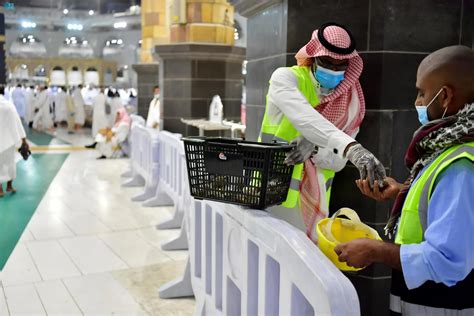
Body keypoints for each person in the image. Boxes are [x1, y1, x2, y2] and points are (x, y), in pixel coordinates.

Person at [335, 46, 474, 315]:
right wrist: (402, 192)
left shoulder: (461, 166)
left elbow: (447, 261)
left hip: (441, 305)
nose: (417, 101)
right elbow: (441, 207)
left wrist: (375, 250)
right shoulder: (449, 146)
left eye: (422, 92)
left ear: (444, 96)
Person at [259, 22, 386, 240]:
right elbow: (305, 118)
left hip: (314, 203)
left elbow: (337, 163)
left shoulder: (351, 103)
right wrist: (351, 148)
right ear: (314, 58)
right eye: (327, 62)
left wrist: (316, 148)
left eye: (340, 65)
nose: (333, 70)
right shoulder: (286, 79)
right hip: (270, 194)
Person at [0, 85, 29, 197]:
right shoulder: (9, 105)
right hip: (9, 140)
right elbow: (17, 123)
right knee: (10, 163)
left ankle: (0, 190)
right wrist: (24, 140)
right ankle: (9, 186)